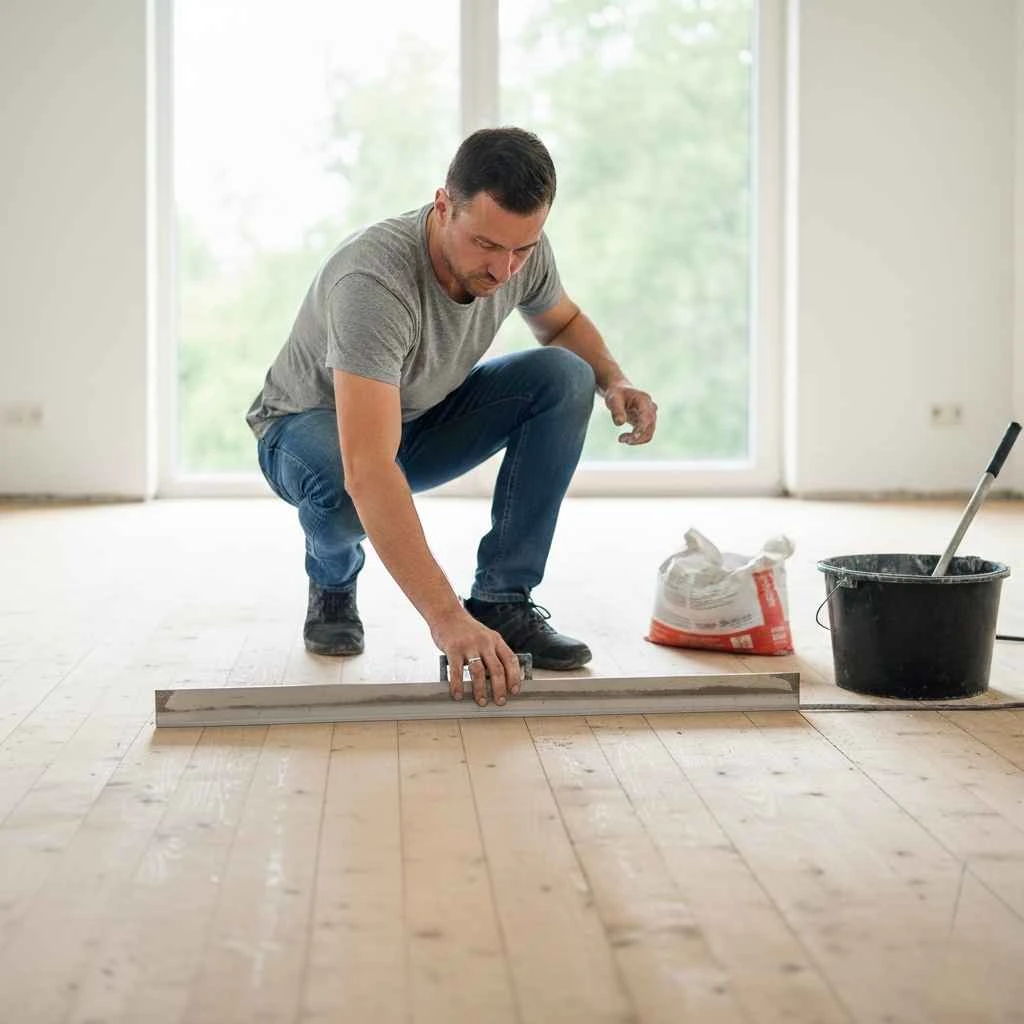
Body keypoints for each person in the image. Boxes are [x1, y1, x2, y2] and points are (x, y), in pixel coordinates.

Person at [246, 127, 657, 708]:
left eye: (523, 249)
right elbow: (368, 467)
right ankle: (333, 579)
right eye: (487, 246)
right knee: (345, 490)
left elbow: (561, 323)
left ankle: (502, 602)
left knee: (566, 375)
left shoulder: (519, 252)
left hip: (419, 419)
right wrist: (446, 621)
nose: (505, 269)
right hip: (308, 430)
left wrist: (614, 377)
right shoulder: (373, 281)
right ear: (444, 206)